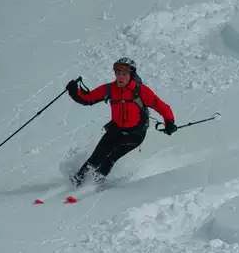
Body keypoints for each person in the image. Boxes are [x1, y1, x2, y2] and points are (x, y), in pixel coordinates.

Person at [65, 57, 176, 187]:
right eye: (118, 73)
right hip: (116, 129)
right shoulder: (110, 89)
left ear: (131, 74)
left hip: (135, 133)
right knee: (96, 157)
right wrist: (74, 91)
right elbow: (88, 99)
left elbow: (162, 107)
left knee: (110, 157)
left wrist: (169, 122)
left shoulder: (141, 91)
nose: (120, 77)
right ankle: (76, 182)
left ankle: (94, 185)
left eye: (124, 74)